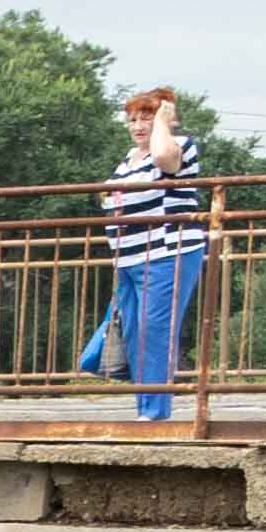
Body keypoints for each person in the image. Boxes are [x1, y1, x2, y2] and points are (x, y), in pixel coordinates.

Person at [85, 85, 213, 419]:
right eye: (133, 120)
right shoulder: (128, 160)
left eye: (147, 118)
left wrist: (163, 124)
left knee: (153, 329)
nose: (138, 126)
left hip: (167, 252)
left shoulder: (178, 146)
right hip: (129, 259)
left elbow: (163, 160)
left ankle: (155, 412)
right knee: (133, 330)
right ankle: (144, 407)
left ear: (164, 118)